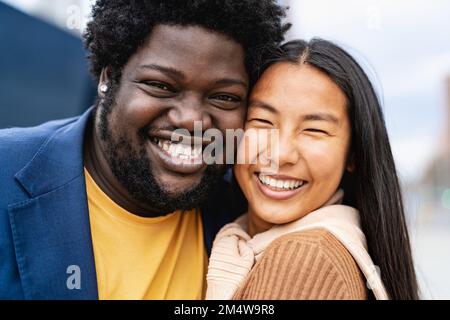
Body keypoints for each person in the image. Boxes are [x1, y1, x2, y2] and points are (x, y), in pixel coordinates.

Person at [0, 0, 289, 299]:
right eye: (161, 85)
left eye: (224, 97)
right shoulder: (5, 173)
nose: (191, 119)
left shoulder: (247, 214)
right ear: (108, 78)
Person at [206, 39, 419, 300]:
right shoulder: (234, 235)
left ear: (353, 154)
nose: (281, 154)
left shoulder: (305, 258)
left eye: (314, 130)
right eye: (262, 121)